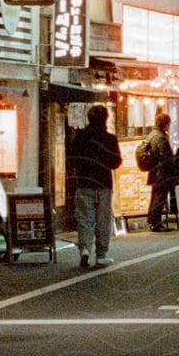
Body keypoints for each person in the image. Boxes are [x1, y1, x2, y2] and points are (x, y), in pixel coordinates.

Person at [67, 105, 123, 268]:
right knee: (103, 220)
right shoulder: (109, 139)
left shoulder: (80, 136)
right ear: (105, 119)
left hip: (84, 183)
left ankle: (84, 248)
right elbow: (116, 161)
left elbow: (71, 159)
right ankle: (101, 254)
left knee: (85, 219)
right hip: (104, 184)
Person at [139, 113, 179, 232]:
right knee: (160, 197)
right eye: (168, 124)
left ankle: (152, 220)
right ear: (166, 124)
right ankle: (155, 223)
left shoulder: (152, 134)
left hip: (154, 171)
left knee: (156, 196)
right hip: (162, 172)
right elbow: (165, 156)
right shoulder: (160, 137)